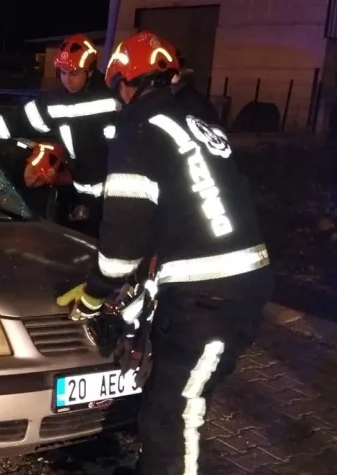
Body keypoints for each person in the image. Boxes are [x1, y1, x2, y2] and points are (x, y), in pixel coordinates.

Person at [55, 31, 274, 475]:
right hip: (240, 284)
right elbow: (194, 207)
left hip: (207, 298)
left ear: (121, 81)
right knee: (170, 406)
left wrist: (93, 297)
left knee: (174, 418)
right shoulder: (197, 122)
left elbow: (121, 245)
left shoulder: (137, 130)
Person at [0, 33, 120, 236]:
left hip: (109, 198)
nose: (67, 79)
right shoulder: (54, 101)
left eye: (74, 73)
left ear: (90, 71)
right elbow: (18, 121)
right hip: (74, 191)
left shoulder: (112, 103)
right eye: (63, 72)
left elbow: (120, 150)